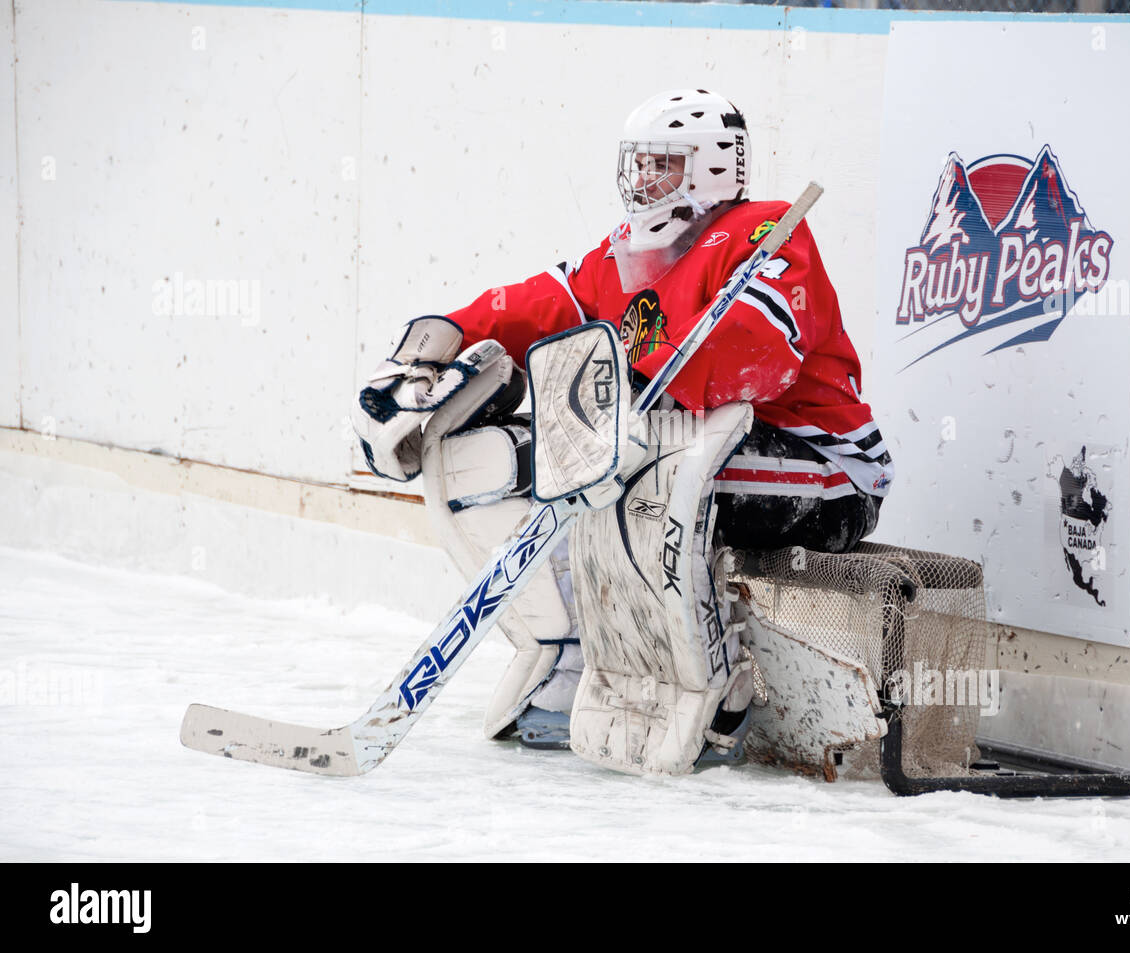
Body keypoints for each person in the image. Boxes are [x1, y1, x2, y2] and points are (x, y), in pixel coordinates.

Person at [353, 89, 893, 768]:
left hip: (827, 466)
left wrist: (628, 393)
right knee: (502, 456)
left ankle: (715, 683)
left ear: (710, 168)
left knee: (641, 464)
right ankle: (574, 655)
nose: (641, 182)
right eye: (636, 164)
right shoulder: (622, 256)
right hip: (689, 446)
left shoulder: (766, 230)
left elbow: (759, 350)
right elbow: (534, 305)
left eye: (661, 165)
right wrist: (436, 337)